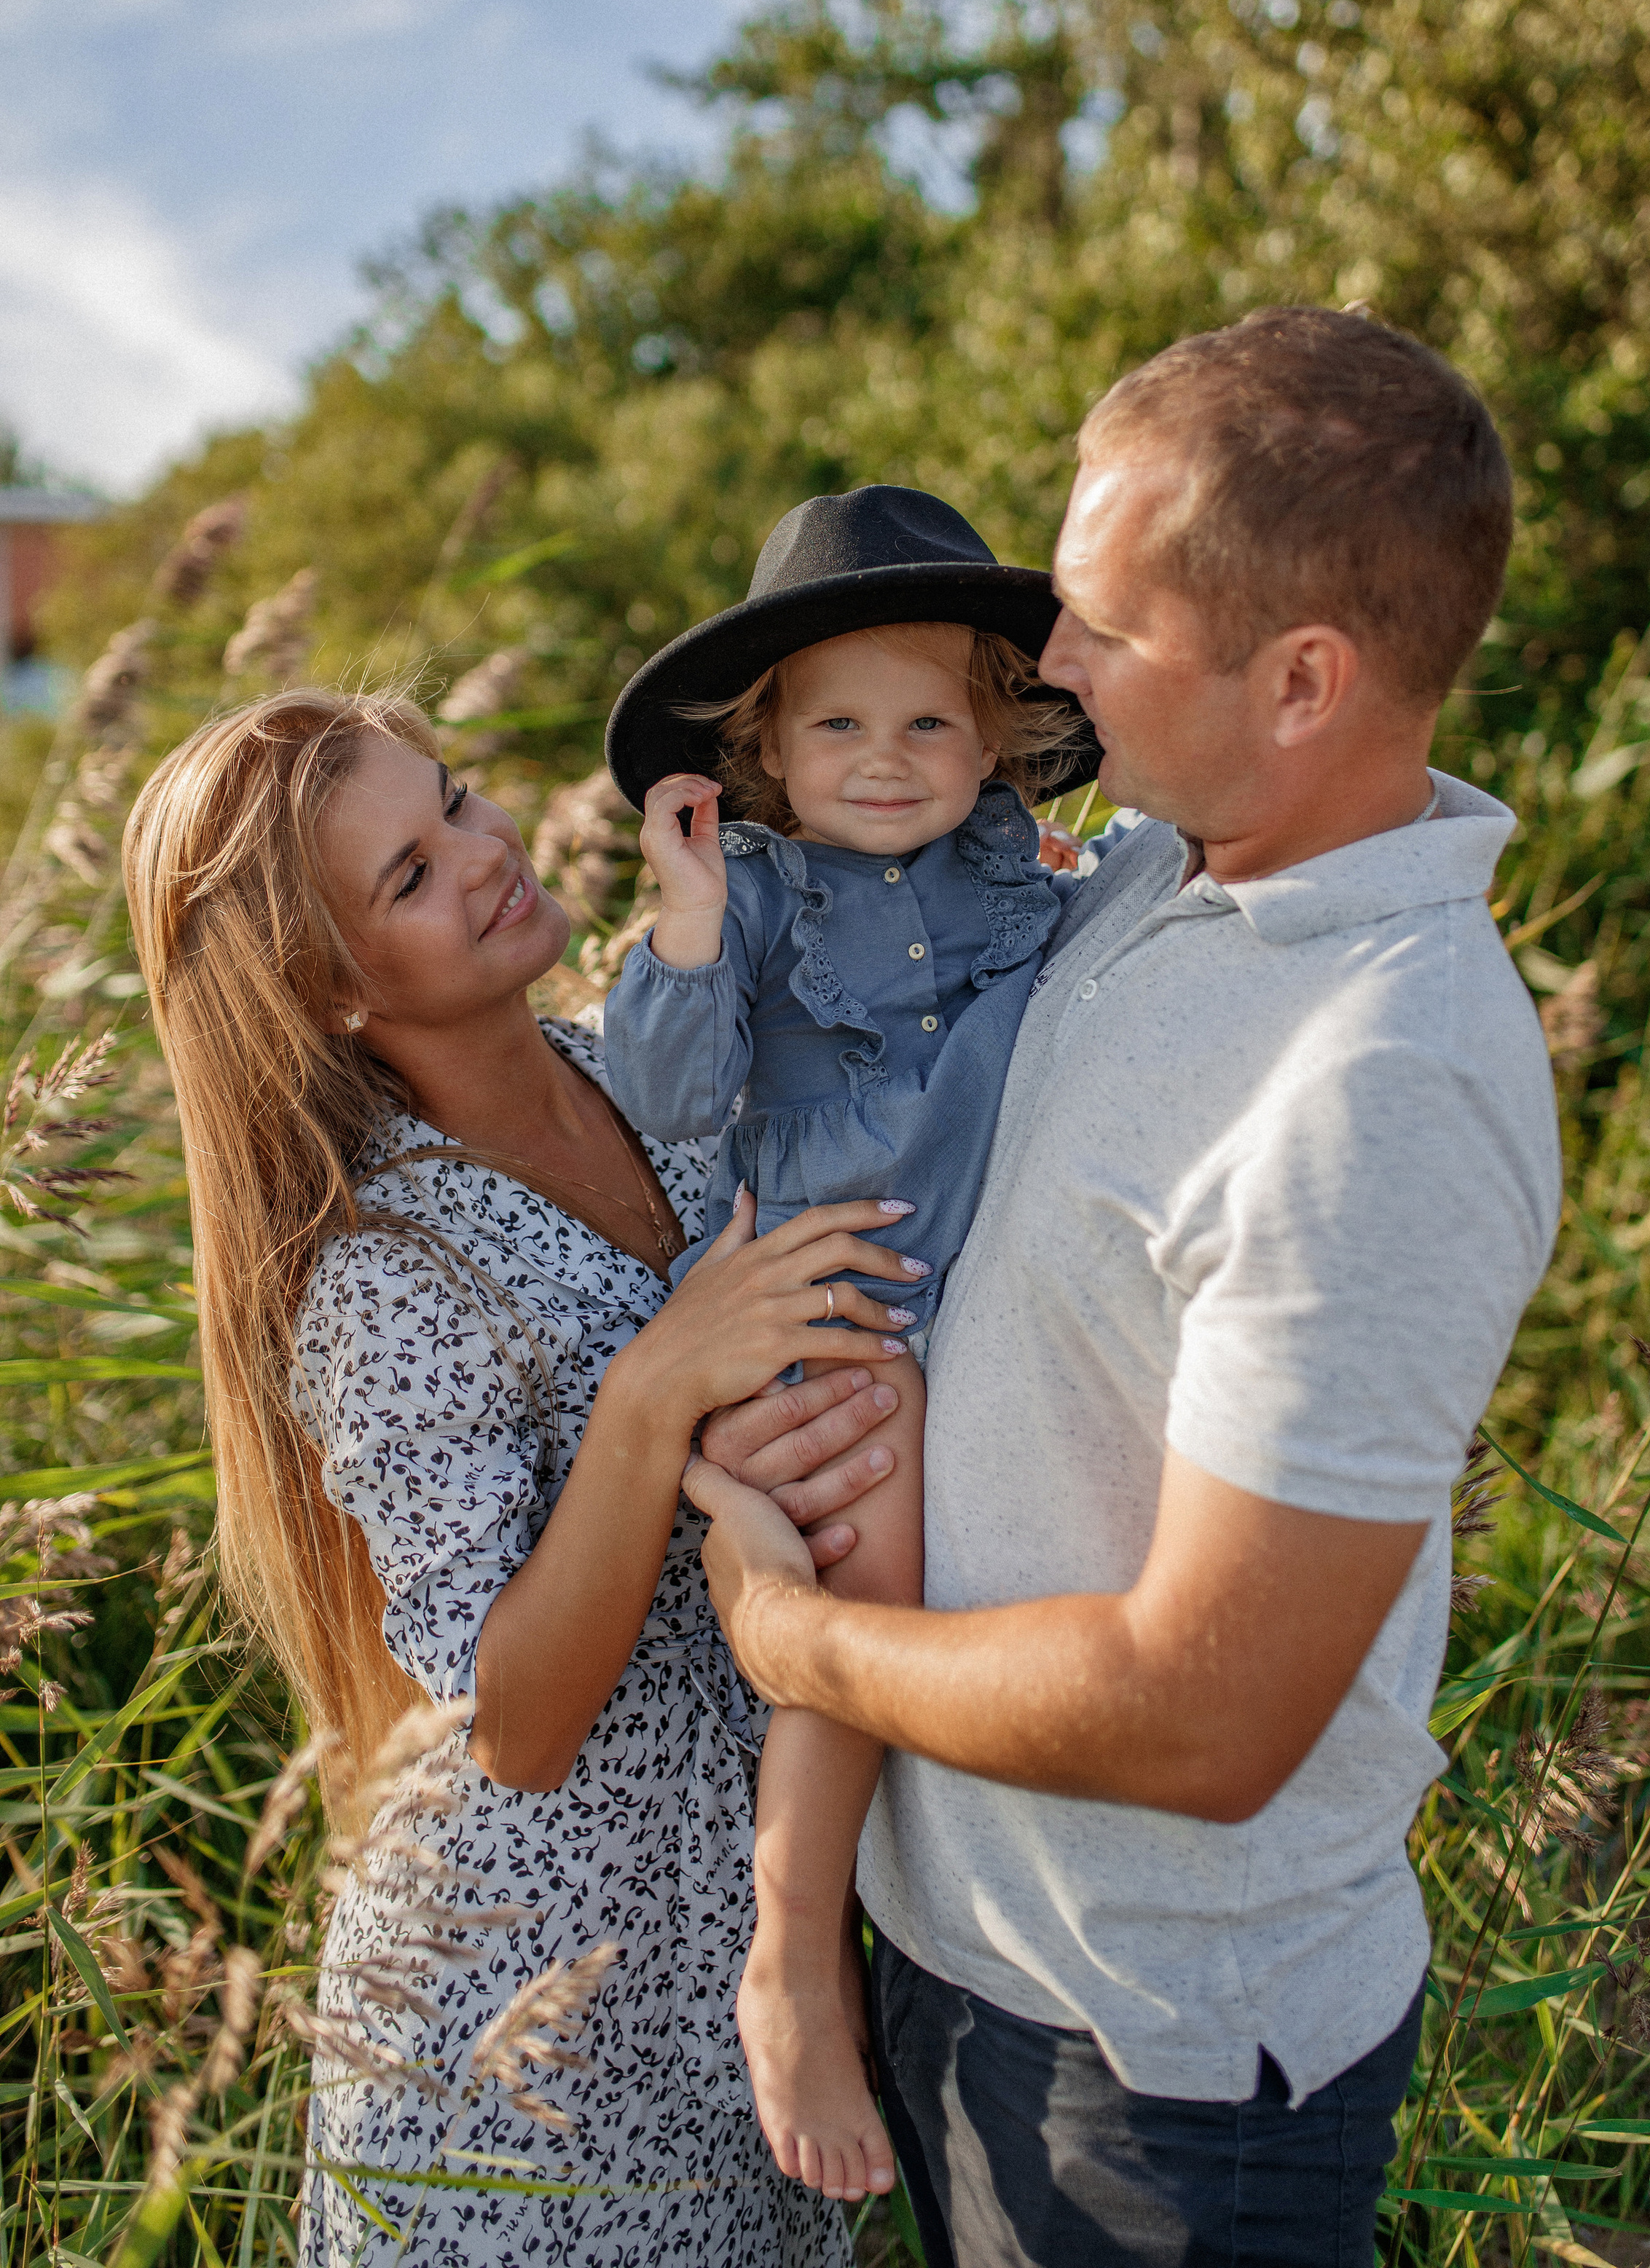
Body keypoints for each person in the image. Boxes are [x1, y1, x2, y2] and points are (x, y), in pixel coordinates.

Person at [684, 307, 1565, 2267]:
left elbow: (1205, 1718)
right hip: (960, 1937)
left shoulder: (1382, 1082)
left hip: (1145, 2069)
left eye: (1101, 621)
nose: (1053, 664)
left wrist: (794, 1642)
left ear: (1304, 679)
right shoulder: (1167, 869)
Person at [121, 688, 922, 2268]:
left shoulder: (632, 1063)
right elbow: (518, 1723)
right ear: (326, 990)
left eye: (460, 802)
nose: (486, 853)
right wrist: (655, 1397)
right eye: (409, 877)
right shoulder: (383, 1273)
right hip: (523, 2032)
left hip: (737, 1953)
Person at [602, 484, 1099, 2200]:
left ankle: (865, 1939)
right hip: (829, 1306)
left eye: (926, 722)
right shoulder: (748, 889)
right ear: (763, 748)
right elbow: (666, 1095)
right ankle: (791, 1958)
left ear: (993, 739)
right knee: (866, 1596)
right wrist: (677, 906)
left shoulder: (1011, 869)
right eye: (835, 724)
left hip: (944, 1303)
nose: (882, 759)